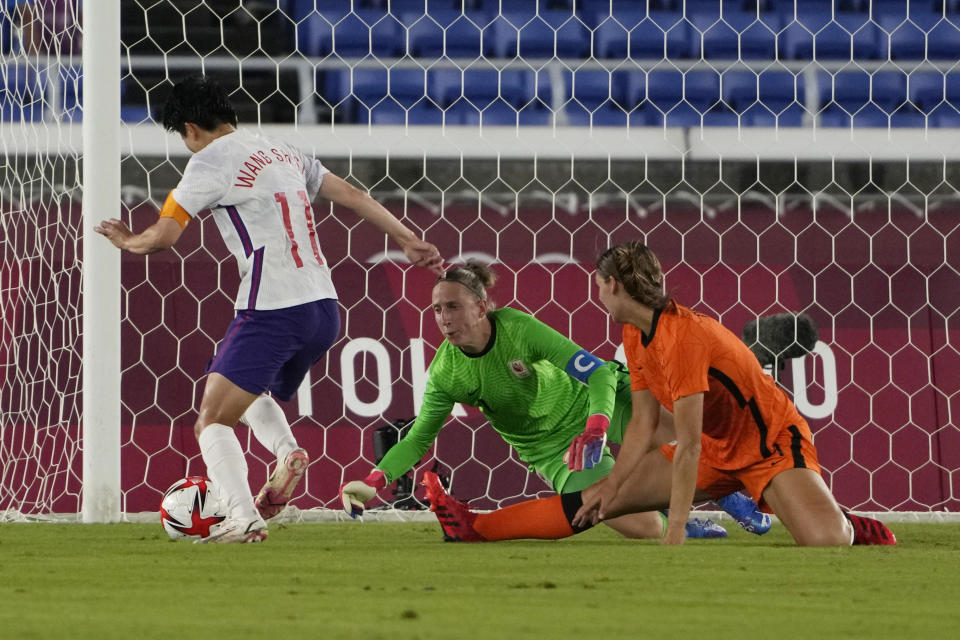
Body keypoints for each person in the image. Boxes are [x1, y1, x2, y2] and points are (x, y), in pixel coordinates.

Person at [95, 75, 444, 543]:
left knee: (211, 419)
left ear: (191, 128)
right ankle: (286, 454)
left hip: (272, 307)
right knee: (234, 383)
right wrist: (406, 238)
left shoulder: (207, 163)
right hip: (323, 307)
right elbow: (354, 196)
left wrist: (127, 241)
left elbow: (163, 236)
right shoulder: (282, 151)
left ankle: (243, 517)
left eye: (182, 135)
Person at [420, 242, 896, 546]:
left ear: (616, 286)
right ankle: (475, 526)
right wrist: (610, 486)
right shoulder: (633, 333)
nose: (597, 297)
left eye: (600, 287)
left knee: (826, 541)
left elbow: (686, 444)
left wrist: (674, 529)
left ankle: (844, 522)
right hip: (714, 449)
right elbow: (646, 424)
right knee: (592, 503)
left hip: (766, 445)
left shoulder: (683, 338)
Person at [340, 262, 771, 541]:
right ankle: (678, 521)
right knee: (631, 523)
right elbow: (418, 439)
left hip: (592, 405)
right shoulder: (446, 374)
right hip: (550, 448)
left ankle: (731, 489)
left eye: (452, 306)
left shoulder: (518, 328)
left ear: (482, 306)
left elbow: (600, 371)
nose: (444, 319)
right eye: (436, 310)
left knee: (679, 426)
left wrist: (598, 425)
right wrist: (375, 481)